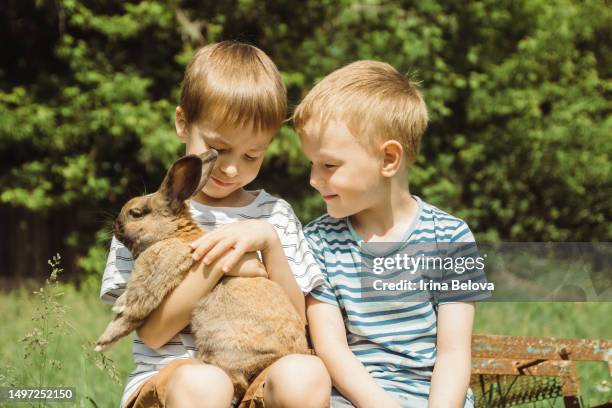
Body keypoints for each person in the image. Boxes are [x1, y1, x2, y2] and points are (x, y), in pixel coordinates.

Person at [100, 41, 331, 408]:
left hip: (260, 377)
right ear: (182, 123)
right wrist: (228, 264)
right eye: (218, 149)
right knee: (205, 383)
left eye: (251, 155)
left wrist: (269, 244)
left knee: (307, 373)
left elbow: (297, 323)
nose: (231, 168)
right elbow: (155, 332)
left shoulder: (275, 216)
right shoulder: (149, 219)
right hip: (177, 380)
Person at [293, 60, 477, 408]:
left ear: (389, 159)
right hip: (356, 400)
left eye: (329, 165)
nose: (314, 179)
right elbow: (332, 350)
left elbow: (453, 354)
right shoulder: (317, 242)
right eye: (312, 164)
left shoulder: (452, 237)